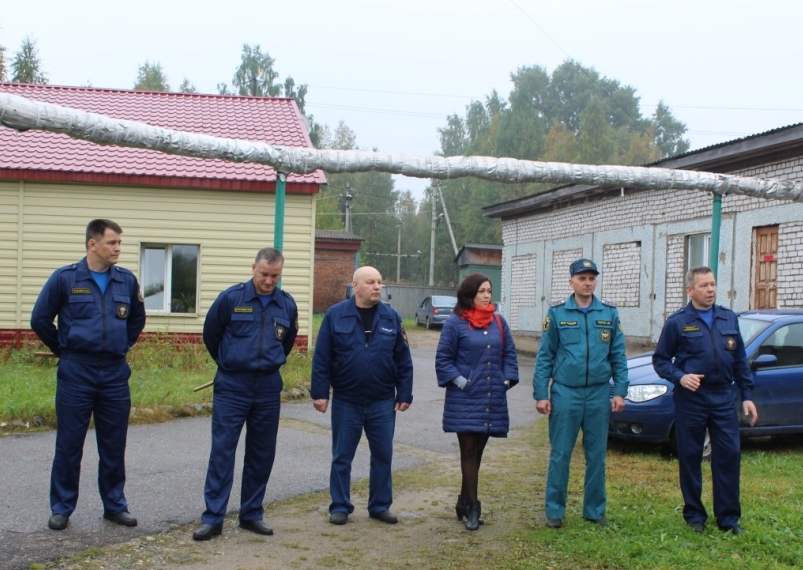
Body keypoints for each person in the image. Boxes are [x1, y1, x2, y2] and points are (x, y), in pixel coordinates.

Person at [30, 219, 146, 531]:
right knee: (69, 444)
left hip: (113, 373)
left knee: (113, 444)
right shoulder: (65, 279)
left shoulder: (126, 281)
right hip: (76, 372)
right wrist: (64, 349)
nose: (118, 248)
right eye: (112, 242)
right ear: (92, 244)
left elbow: (136, 320)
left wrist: (122, 344)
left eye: (119, 242)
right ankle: (62, 507)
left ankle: (114, 505)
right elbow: (40, 319)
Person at [192, 247, 298, 541]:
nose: (268, 281)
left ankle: (251, 514)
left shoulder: (286, 304)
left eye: (274, 276)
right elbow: (211, 335)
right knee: (223, 453)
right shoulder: (231, 299)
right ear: (253, 268)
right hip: (232, 386)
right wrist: (229, 363)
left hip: (267, 387)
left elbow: (285, 343)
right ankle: (213, 519)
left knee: (261, 453)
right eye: (264, 274)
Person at [652, 266, 758, 535]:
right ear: (690, 290)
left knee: (729, 455)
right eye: (704, 285)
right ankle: (694, 516)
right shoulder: (678, 322)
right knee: (690, 455)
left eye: (712, 284)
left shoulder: (728, 318)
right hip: (692, 398)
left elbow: (740, 362)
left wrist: (747, 396)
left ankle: (729, 518)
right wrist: (680, 376)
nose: (710, 290)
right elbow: (661, 360)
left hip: (723, 396)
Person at [311, 266, 413, 526]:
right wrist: (320, 393)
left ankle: (380, 505)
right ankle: (340, 506)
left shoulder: (392, 317)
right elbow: (322, 357)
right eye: (371, 282)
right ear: (356, 286)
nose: (377, 287)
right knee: (342, 456)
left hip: (382, 401)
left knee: (383, 455)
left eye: (380, 282)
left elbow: (403, 360)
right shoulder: (336, 315)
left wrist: (405, 393)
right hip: (347, 400)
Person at [533, 258, 628, 529]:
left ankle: (594, 510)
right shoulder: (558, 313)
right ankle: (555, 511)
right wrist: (542, 394)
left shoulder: (608, 313)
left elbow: (618, 356)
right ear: (571, 282)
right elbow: (544, 357)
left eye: (591, 278)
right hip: (566, 392)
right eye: (582, 278)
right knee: (561, 453)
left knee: (596, 454)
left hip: (598, 393)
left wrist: (619, 391)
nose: (588, 283)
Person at [435, 273, 519, 531]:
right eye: (482, 291)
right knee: (468, 451)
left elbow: (510, 355)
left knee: (477, 453)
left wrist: (506, 381)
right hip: (465, 398)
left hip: (491, 397)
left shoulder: (499, 322)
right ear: (469, 294)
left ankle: (462, 500)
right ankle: (473, 506)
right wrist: (463, 383)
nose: (486, 295)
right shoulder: (455, 324)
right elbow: (443, 360)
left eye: (489, 291)